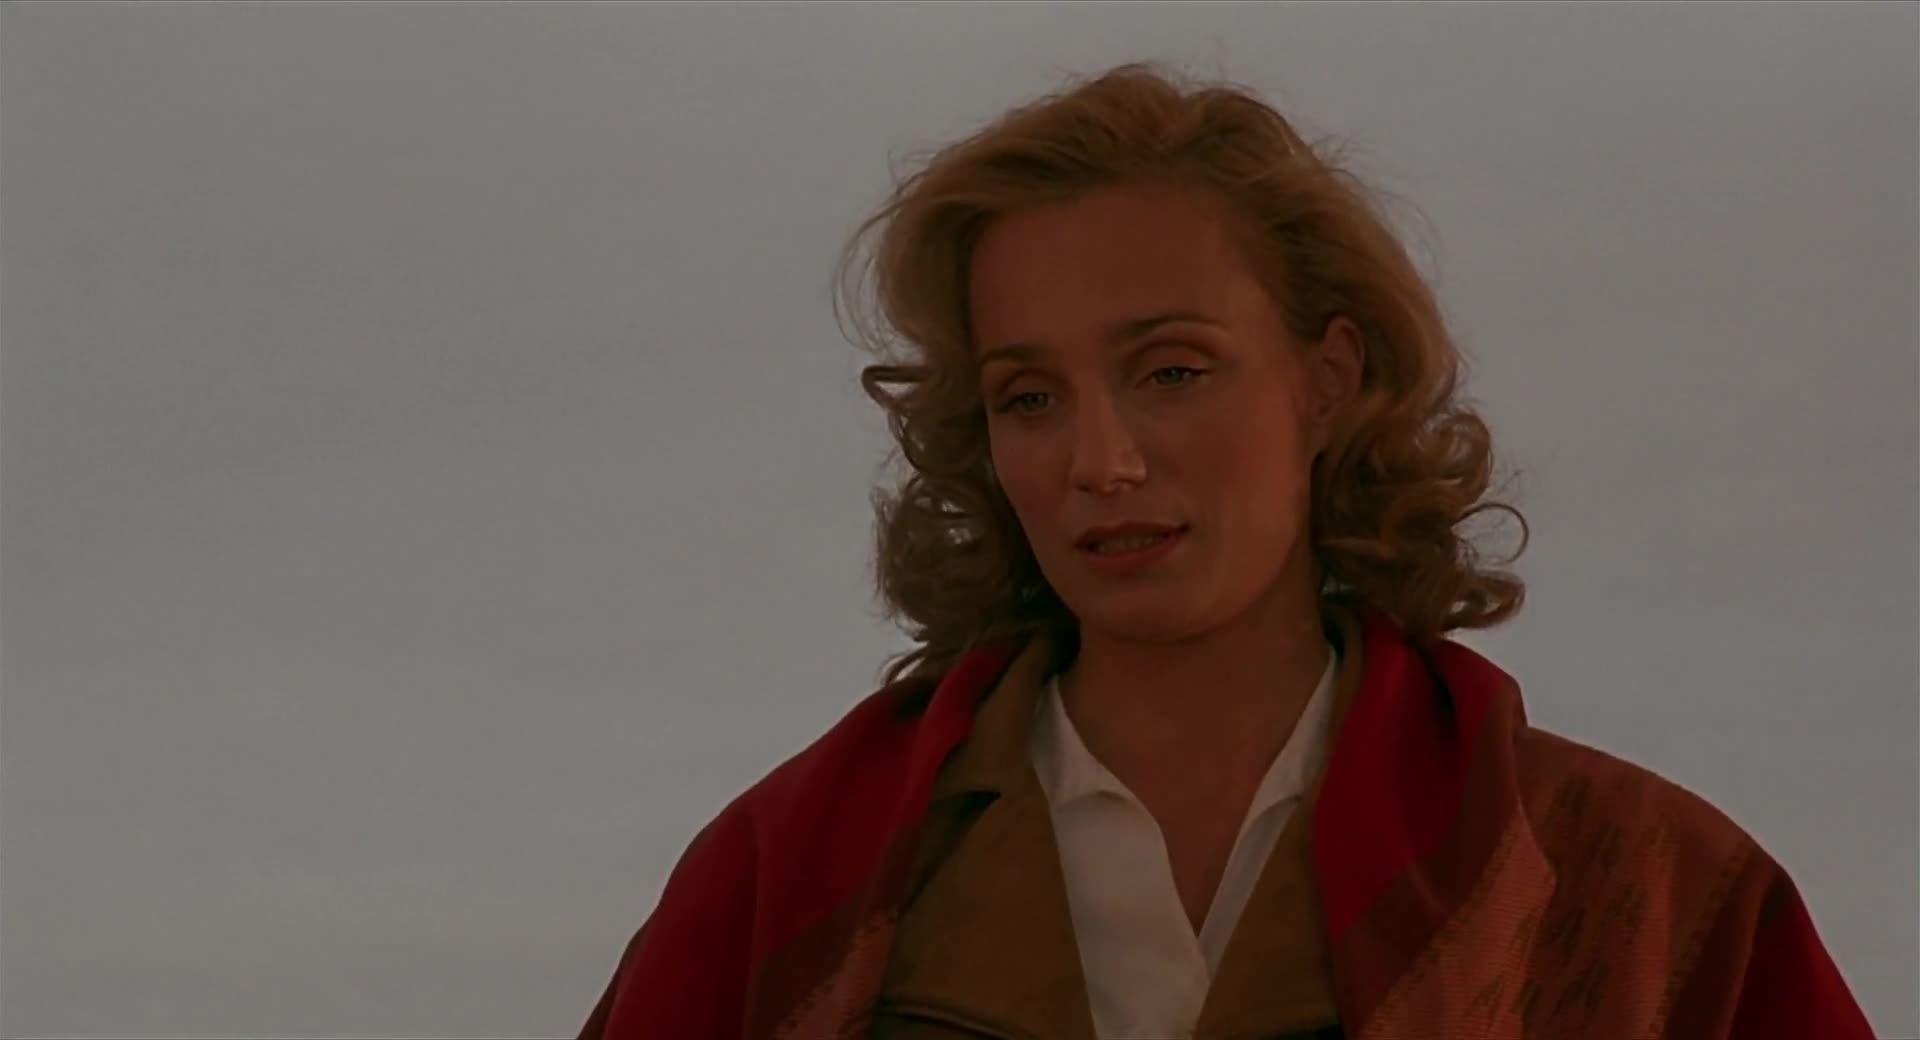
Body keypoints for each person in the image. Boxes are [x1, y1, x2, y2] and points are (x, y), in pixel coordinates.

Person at [576, 61, 1875, 1040]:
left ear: (1329, 378)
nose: (1101, 461)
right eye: (1030, 396)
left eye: (1172, 371)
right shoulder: (789, 884)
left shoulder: (1636, 889)